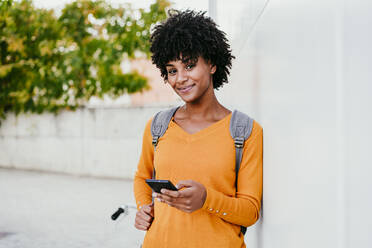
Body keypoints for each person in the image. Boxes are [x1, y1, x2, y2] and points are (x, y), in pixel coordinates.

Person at [133, 10, 263, 248]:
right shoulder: (157, 127)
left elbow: (250, 211)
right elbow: (142, 177)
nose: (180, 78)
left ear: (212, 64)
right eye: (172, 70)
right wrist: (144, 207)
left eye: (190, 65)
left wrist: (206, 199)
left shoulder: (245, 132)